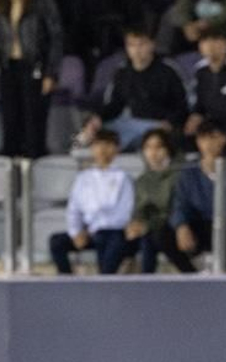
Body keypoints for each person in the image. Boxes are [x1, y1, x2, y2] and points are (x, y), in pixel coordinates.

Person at [0, 0, 63, 160]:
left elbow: (56, 38)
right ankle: (10, 163)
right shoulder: (0, 4)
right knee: (10, 118)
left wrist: (51, 73)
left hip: (34, 66)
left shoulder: (42, 2)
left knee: (34, 119)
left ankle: (35, 161)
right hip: (8, 66)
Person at [76, 29, 188, 150]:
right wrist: (97, 119)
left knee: (154, 136)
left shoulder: (168, 70)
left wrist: (171, 122)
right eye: (132, 45)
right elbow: (114, 105)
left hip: (160, 124)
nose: (137, 50)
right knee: (97, 132)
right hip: (131, 124)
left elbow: (182, 104)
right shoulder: (122, 72)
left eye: (141, 44)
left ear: (152, 45)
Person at [165, 120, 226, 272]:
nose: (208, 143)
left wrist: (216, 175)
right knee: (164, 233)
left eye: (213, 137)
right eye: (203, 138)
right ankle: (192, 276)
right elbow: (180, 202)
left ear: (223, 139)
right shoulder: (189, 169)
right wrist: (181, 225)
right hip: (201, 223)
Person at [52, 129, 133, 273]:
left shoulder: (123, 178)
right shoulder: (83, 178)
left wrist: (95, 227)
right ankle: (66, 280)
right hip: (89, 231)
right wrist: (76, 232)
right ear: (92, 149)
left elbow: (125, 211)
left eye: (108, 145)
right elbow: (74, 209)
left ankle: (105, 280)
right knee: (56, 242)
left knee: (111, 242)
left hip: (112, 231)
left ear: (116, 149)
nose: (102, 149)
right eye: (98, 144)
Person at [184, 27, 226, 147]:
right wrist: (195, 116)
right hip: (210, 121)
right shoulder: (199, 70)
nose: (210, 45)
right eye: (205, 41)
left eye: (215, 40)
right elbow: (197, 101)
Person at [126, 128, 179, 271]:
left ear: (168, 149)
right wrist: (134, 224)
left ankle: (146, 279)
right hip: (148, 228)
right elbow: (138, 210)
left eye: (158, 147)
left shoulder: (178, 177)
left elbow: (173, 210)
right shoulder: (142, 180)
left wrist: (146, 226)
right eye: (148, 147)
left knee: (149, 237)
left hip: (170, 228)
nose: (153, 152)